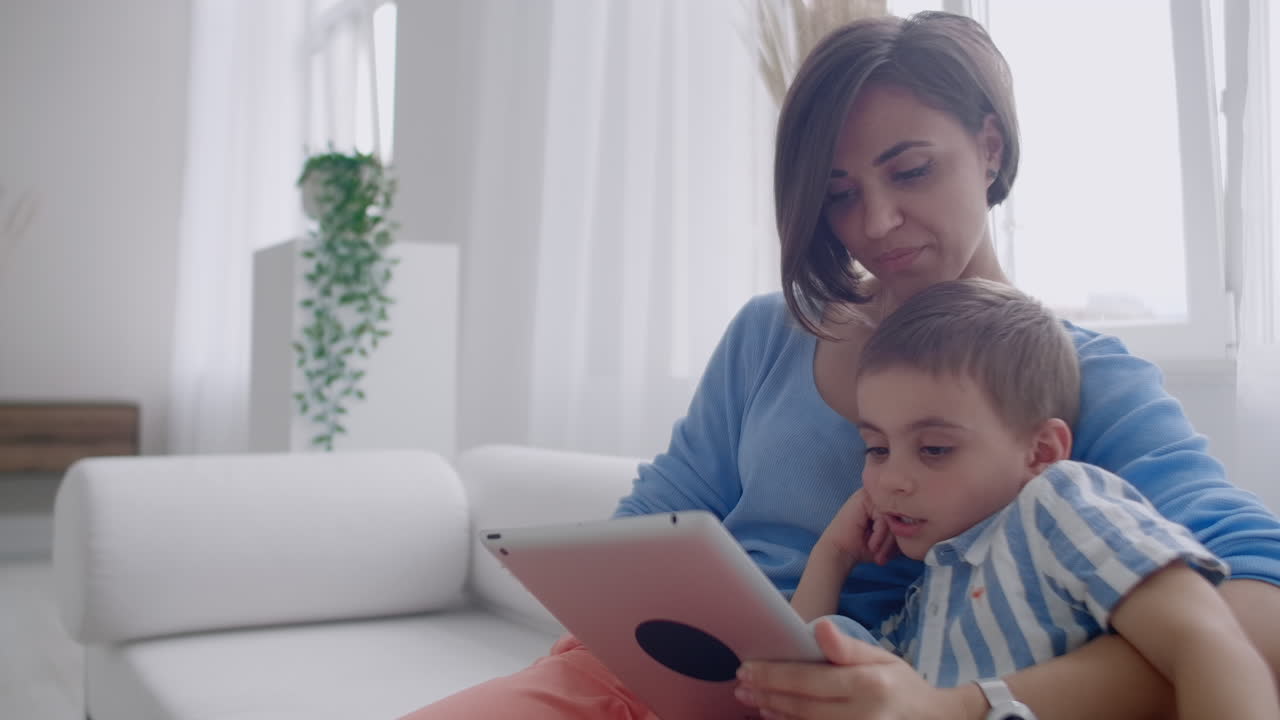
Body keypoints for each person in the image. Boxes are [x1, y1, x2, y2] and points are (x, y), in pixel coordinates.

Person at [403, 11, 1280, 719]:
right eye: (838, 194)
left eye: (911, 171)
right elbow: (647, 531)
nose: (876, 223)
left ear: (990, 148)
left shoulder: (1080, 377)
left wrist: (956, 706)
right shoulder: (767, 335)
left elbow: (1258, 612)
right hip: (641, 683)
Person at [785, 277, 1279, 719]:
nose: (892, 479)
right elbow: (796, 676)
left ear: (1041, 451)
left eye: (934, 449)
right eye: (877, 449)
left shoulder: (1059, 506)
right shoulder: (930, 594)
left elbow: (1208, 643)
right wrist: (833, 554)